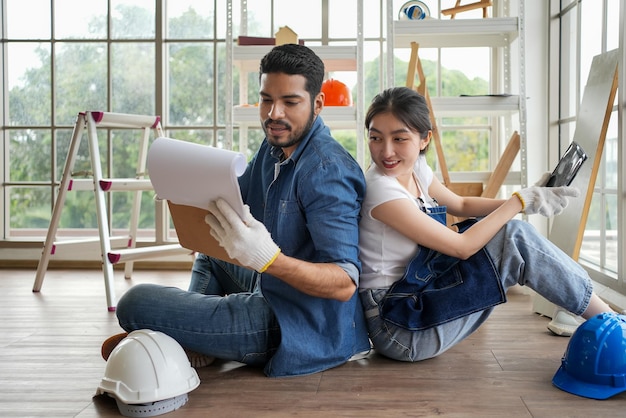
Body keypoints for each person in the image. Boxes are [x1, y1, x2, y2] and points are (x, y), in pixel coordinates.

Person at [102, 44, 371, 377]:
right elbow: (236, 198)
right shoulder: (276, 143)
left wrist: (270, 259)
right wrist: (184, 191)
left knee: (134, 302)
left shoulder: (327, 170)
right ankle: (194, 340)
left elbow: (344, 283)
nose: (274, 114)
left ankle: (184, 335)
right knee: (211, 255)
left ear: (317, 104)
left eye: (290, 102)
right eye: (267, 100)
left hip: (297, 325)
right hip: (271, 287)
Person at [358, 86, 616, 363]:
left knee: (510, 233)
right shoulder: (381, 191)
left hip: (420, 294)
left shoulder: (415, 169)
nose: (386, 151)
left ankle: (603, 316)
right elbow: (461, 247)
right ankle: (611, 321)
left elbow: (461, 205)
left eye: (399, 138)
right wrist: (519, 202)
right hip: (398, 324)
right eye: (376, 138)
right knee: (512, 236)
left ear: (424, 140)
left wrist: (530, 198)